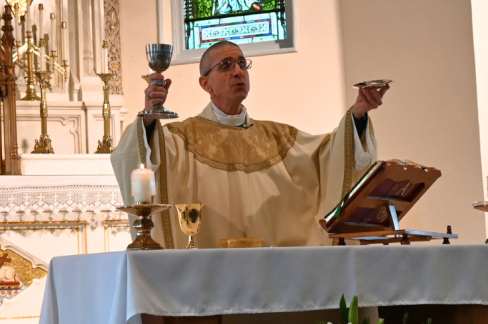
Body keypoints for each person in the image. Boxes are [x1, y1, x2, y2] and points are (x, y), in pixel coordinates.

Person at [110, 40, 389, 247]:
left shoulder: (280, 137)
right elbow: (141, 157)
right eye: (226, 65)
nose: (238, 71)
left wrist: (358, 114)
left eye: (243, 64)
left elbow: (331, 156)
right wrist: (149, 116)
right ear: (205, 84)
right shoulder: (180, 139)